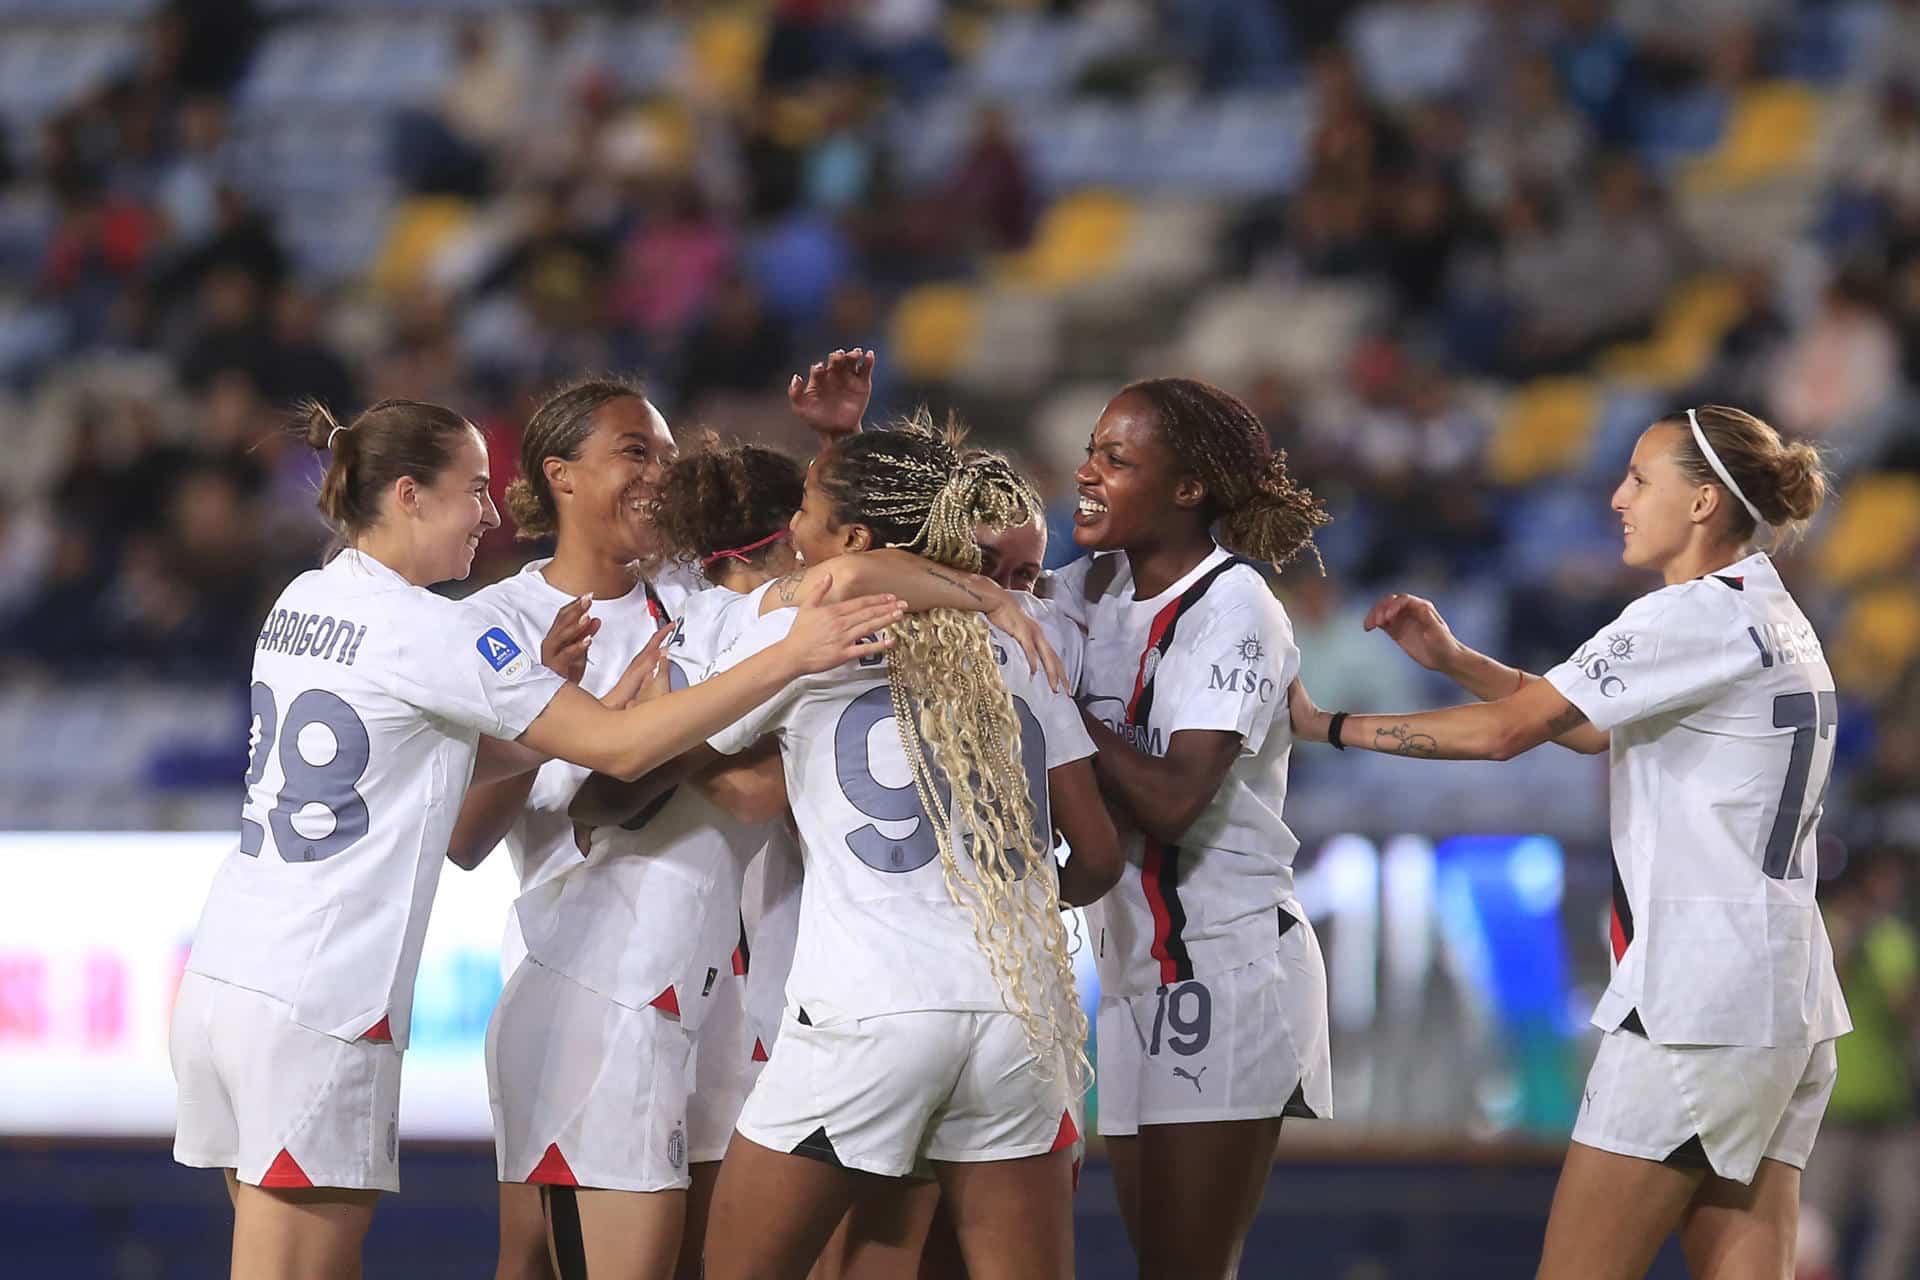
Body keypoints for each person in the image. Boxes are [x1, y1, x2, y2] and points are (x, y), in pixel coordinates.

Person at [169, 397, 905, 1279]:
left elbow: (421, 764)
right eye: (474, 490)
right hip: (323, 996)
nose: (489, 512)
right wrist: (791, 655)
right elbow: (620, 750)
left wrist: (530, 723)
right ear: (407, 495)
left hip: (227, 975)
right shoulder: (448, 626)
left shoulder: (304, 596)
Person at [1290, 404, 1852, 1279]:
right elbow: (1589, 726)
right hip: (1785, 999)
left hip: (1695, 1002)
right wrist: (1459, 661)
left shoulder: (1688, 617)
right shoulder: (1771, 610)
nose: (1618, 496)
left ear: (1703, 502)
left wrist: (1326, 726)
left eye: (1639, 478)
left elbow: (1505, 735)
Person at [693, 416, 1122, 1280]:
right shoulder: (1019, 639)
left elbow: (725, 773)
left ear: (851, 533)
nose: (793, 526)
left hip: (870, 1004)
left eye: (807, 506)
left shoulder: (796, 626)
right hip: (1022, 1017)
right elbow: (1101, 853)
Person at [1051, 376, 1333, 1280]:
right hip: (1137, 969)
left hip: (1225, 961)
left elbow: (1175, 798)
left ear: (1188, 489)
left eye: (1116, 459)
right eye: (1092, 450)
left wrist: (1054, 704)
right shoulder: (1085, 589)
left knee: (1186, 1267)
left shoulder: (1234, 607)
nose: (1087, 473)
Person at [441, 376, 698, 1280]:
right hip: (588, 982)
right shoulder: (490, 624)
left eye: (667, 456)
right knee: (536, 1259)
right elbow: (464, 839)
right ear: (563, 476)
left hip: (726, 988)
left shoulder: (703, 599)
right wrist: (553, 714)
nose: (662, 473)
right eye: (636, 451)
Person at [1795, 849, 1919, 1280]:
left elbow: (1905, 1009)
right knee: (1814, 1232)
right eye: (1883, 877)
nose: (1892, 888)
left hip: (1891, 1112)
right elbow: (1824, 984)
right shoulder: (1821, 928)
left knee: (1904, 1214)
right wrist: (1850, 936)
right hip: (1829, 1114)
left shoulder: (1893, 938)